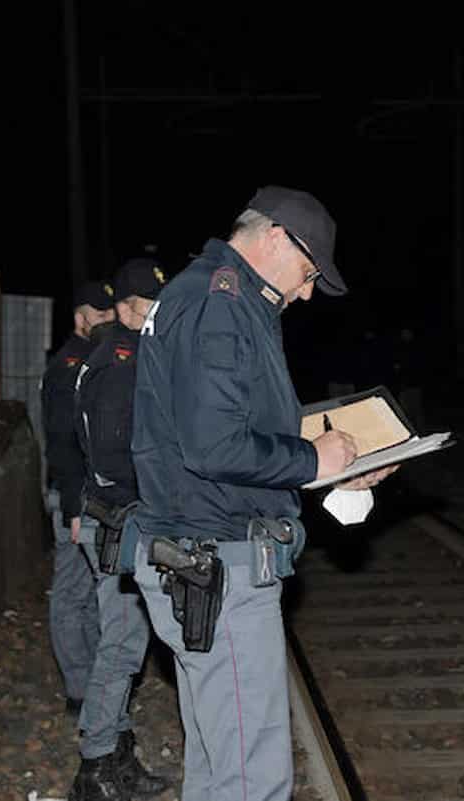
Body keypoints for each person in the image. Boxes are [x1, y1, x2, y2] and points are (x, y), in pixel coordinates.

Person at [125, 185, 394, 801]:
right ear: (275, 237)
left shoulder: (216, 296)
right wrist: (309, 458)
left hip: (200, 553)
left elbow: (233, 432)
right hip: (217, 560)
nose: (304, 293)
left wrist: (329, 469)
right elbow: (214, 445)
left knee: (220, 764)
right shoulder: (221, 304)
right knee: (251, 774)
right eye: (306, 273)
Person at [69, 260, 170, 799]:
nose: (158, 313)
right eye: (150, 305)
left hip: (115, 518)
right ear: (130, 306)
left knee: (126, 642)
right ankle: (95, 769)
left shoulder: (124, 354)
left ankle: (117, 757)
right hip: (116, 520)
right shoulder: (121, 360)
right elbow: (113, 457)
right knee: (121, 645)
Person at [41, 281, 114, 716]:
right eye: (99, 315)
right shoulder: (70, 365)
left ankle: (92, 686)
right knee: (73, 593)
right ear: (80, 319)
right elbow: (63, 440)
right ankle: (80, 690)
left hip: (88, 495)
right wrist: (72, 504)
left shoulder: (95, 360)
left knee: (91, 593)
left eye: (111, 314)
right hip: (74, 497)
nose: (108, 322)